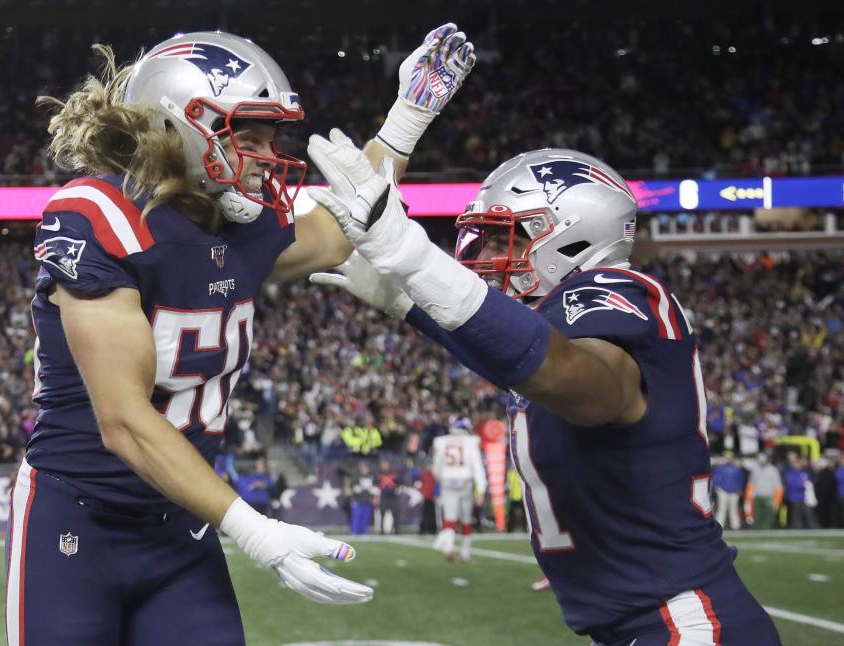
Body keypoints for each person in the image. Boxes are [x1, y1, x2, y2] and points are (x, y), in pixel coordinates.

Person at [10, 25, 476, 646]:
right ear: (177, 126)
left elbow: (348, 226)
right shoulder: (101, 217)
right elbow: (122, 420)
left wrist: (408, 117)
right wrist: (253, 529)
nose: (266, 152)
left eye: (271, 134)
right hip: (74, 520)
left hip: (182, 523)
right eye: (246, 132)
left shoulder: (241, 224)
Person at [309, 144, 781, 644]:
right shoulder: (547, 330)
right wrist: (410, 303)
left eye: (502, 239)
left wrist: (417, 261)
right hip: (648, 624)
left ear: (571, 238)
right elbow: (520, 360)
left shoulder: (614, 290)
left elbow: (578, 384)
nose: (485, 259)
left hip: (683, 623)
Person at [431, 416, 486, 562]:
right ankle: (465, 552)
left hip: (448, 482)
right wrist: (481, 489)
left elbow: (437, 467)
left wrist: (440, 478)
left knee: (449, 519)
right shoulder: (471, 442)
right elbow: (477, 467)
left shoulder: (442, 442)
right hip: (465, 483)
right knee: (466, 519)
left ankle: (449, 549)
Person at [744, 453, 783, 529]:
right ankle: (758, 528)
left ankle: (767, 528)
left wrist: (777, 498)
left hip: (769, 496)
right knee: (757, 514)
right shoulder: (755, 469)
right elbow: (751, 484)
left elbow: (778, 485)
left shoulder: (773, 469)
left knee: (768, 515)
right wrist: (749, 496)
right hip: (757, 496)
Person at [783, 452, 817, 529]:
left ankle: (811, 528)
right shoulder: (789, 473)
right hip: (795, 498)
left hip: (805, 498)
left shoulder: (804, 472)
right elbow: (791, 484)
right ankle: (798, 529)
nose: (797, 464)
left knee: (808, 514)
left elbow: (810, 483)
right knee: (796, 515)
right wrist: (802, 485)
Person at [712, 453, 744, 530]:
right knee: (726, 509)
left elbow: (740, 480)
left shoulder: (734, 468)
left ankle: (733, 526)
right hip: (727, 491)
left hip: (729, 491)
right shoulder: (721, 468)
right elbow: (715, 480)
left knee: (727, 509)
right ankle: (730, 526)